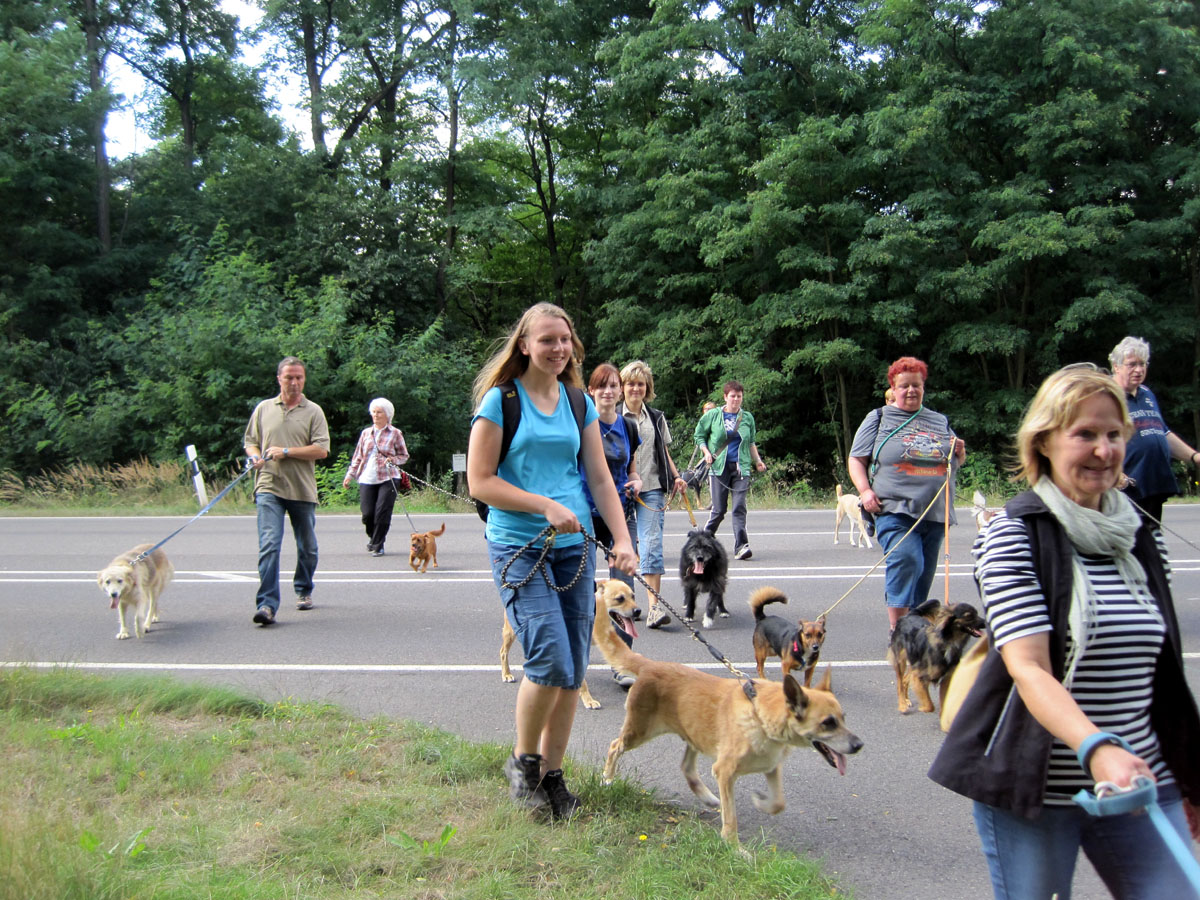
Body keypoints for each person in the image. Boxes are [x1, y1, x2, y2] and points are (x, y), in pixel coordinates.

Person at [929, 364, 1200, 899]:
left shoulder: (1140, 536)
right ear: (1044, 442)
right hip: (1039, 788)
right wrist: (1098, 749)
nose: (1103, 449)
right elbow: (1029, 667)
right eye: (1085, 434)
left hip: (1138, 779)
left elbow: (1161, 671)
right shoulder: (1014, 535)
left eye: (1114, 434)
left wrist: (1189, 772)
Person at [467, 302, 637, 821]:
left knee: (573, 667)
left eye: (564, 339)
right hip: (519, 547)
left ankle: (552, 776)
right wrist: (543, 505)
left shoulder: (576, 400)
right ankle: (523, 764)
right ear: (524, 345)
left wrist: (623, 539)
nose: (558, 348)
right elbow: (480, 482)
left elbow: (600, 477)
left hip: (574, 549)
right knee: (550, 660)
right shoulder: (501, 401)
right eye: (546, 340)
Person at [848, 357, 965, 634]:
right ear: (893, 388)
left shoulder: (938, 420)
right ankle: (898, 629)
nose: (911, 390)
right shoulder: (879, 418)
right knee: (907, 558)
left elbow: (954, 461)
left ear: (923, 387)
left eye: (916, 385)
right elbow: (856, 459)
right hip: (893, 508)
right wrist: (865, 491)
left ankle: (915, 627)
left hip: (934, 511)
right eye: (904, 386)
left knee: (923, 571)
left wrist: (960, 452)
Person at [243, 356, 330, 625]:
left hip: (302, 489)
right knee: (270, 544)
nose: (294, 382)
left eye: (299, 377)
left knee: (308, 548)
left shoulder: (313, 411)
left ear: (304, 380)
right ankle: (267, 605)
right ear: (279, 379)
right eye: (289, 377)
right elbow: (251, 441)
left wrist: (287, 451)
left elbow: (321, 450)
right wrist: (255, 457)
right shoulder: (264, 408)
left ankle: (303, 588)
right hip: (269, 485)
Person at [618, 360, 687, 628]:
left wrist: (677, 477)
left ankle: (654, 608)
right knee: (623, 549)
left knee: (651, 546)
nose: (636, 388)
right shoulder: (612, 414)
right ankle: (624, 606)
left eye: (640, 384)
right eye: (631, 384)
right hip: (621, 490)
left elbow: (664, 451)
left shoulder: (656, 417)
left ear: (647, 388)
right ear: (622, 387)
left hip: (653, 488)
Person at [1109, 336, 1200, 527]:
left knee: (1152, 540)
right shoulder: (1106, 396)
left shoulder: (1147, 394)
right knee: (1128, 542)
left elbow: (1162, 434)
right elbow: (1096, 440)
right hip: (1125, 490)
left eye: (1142, 364)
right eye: (1132, 364)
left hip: (1153, 486)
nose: (1139, 370)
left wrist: (1194, 457)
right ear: (1116, 366)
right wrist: (1112, 472)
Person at [581, 363, 641, 596]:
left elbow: (631, 469)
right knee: (581, 580)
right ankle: (591, 617)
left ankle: (619, 620)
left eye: (613, 386)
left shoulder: (628, 426)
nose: (608, 391)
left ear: (620, 391)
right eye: (601, 386)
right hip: (585, 512)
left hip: (620, 510)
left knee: (623, 584)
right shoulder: (581, 426)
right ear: (591, 391)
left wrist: (637, 482)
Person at [694, 381, 766, 560]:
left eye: (739, 396)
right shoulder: (713, 415)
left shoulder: (747, 418)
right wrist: (706, 452)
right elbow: (699, 435)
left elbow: (751, 442)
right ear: (725, 397)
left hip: (741, 468)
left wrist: (758, 461)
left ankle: (741, 546)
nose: (736, 399)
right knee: (719, 510)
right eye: (732, 396)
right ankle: (702, 542)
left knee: (739, 507)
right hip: (719, 468)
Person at [342, 398, 410, 557]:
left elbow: (404, 456)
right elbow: (358, 456)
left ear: (387, 415)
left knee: (382, 512)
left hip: (389, 477)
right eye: (373, 412)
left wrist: (393, 460)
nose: (375, 415)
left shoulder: (395, 433)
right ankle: (373, 538)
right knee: (367, 514)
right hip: (367, 477)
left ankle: (378, 545)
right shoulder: (366, 433)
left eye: (379, 412)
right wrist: (350, 475)